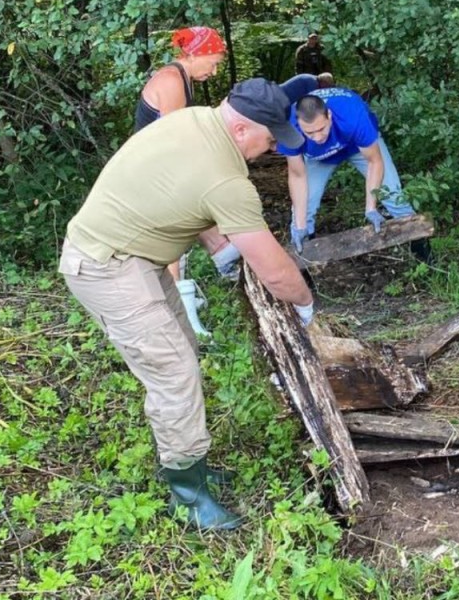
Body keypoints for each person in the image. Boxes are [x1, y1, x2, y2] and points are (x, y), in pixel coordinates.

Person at [59, 77, 316, 531]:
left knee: (182, 349)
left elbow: (181, 194)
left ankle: (187, 466)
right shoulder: (226, 178)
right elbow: (275, 271)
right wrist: (305, 305)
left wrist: (221, 249)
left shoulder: (194, 120)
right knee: (174, 371)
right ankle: (188, 495)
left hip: (128, 253)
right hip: (108, 266)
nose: (274, 148)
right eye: (270, 137)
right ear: (242, 130)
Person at [134, 26, 239, 333]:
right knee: (176, 235)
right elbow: (174, 142)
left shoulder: (183, 78)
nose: (216, 70)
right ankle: (183, 315)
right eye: (214, 62)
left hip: (160, 165)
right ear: (195, 54)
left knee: (201, 215)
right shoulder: (170, 81)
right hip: (153, 170)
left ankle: (227, 257)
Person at [275, 84, 421, 254]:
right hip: (318, 158)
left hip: (357, 147)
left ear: (329, 115)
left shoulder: (354, 115)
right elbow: (297, 176)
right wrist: (300, 225)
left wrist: (371, 207)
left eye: (321, 129)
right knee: (302, 215)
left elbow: (375, 162)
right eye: (310, 133)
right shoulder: (289, 128)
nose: (318, 137)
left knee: (394, 196)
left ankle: (424, 259)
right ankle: (306, 263)